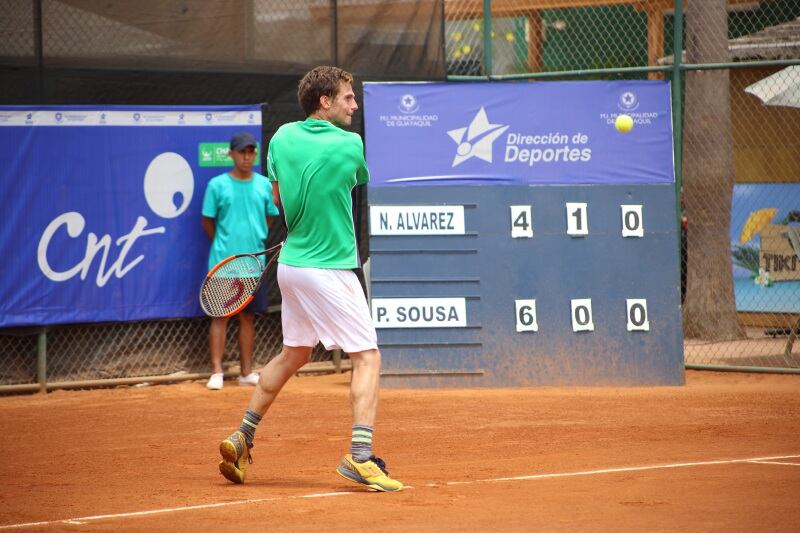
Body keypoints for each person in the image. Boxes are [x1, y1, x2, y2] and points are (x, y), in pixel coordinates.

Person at [216, 66, 403, 492]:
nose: (354, 106)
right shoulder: (350, 145)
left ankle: (242, 436)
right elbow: (350, 183)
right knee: (367, 357)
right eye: (348, 97)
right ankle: (360, 456)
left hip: (293, 266)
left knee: (294, 354)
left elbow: (279, 198)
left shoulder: (281, 138)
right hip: (329, 268)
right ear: (325, 101)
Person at [201, 131, 280, 390]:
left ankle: (246, 373)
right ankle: (217, 372)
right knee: (220, 316)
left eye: (251, 152)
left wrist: (255, 238)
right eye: (242, 152)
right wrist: (224, 246)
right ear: (231, 154)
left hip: (253, 265)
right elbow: (207, 221)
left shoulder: (264, 185)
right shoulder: (217, 185)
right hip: (223, 264)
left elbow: (269, 216)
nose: (247, 157)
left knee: (248, 318)